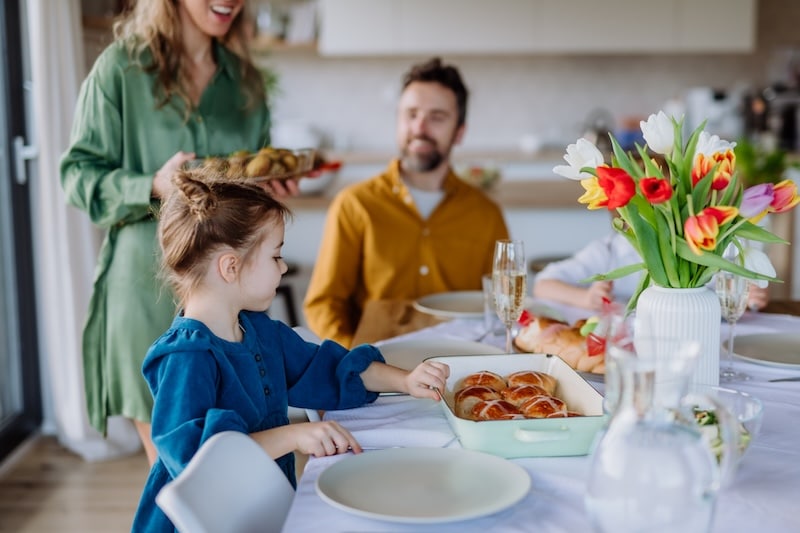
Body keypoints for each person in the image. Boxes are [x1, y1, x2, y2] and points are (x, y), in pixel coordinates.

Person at [132, 169, 449, 531]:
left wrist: (406, 381)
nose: (283, 267)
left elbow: (328, 368)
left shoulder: (261, 332)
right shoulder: (185, 358)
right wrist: (294, 435)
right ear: (230, 267)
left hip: (262, 511)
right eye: (275, 256)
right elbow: (196, 461)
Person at [59, 0, 298, 466]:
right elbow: (77, 176)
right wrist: (151, 184)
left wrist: (266, 188)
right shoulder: (120, 70)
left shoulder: (245, 84)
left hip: (227, 298)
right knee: (180, 469)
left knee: (234, 461)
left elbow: (244, 185)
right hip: (143, 294)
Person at [303, 57, 510, 347]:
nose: (420, 127)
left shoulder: (486, 214)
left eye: (437, 117)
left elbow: (500, 309)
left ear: (459, 132)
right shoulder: (355, 205)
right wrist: (354, 360)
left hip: (458, 367)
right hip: (374, 368)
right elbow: (323, 303)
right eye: (411, 114)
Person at [533, 232, 770, 312]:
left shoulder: (704, 248)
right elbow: (542, 284)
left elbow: (738, 289)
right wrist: (585, 298)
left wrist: (747, 297)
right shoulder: (610, 249)